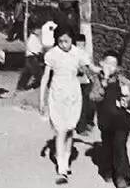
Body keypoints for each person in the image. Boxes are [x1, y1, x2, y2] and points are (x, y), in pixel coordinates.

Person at [39, 24, 96, 184]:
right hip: (57, 95)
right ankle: (61, 168)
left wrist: (104, 68)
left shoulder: (78, 53)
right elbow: (45, 77)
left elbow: (90, 67)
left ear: (72, 40)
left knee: (70, 130)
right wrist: (41, 99)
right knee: (61, 130)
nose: (63, 44)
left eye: (66, 41)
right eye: (60, 41)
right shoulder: (52, 54)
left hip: (73, 95)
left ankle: (66, 159)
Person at [90, 49, 130, 188]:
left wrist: (127, 99)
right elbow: (93, 96)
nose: (109, 67)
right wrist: (102, 86)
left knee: (119, 146)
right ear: (101, 63)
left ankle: (123, 176)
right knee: (108, 146)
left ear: (117, 68)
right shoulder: (97, 80)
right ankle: (108, 171)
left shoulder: (121, 80)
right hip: (105, 121)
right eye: (107, 63)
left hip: (121, 121)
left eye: (113, 64)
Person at [75, 33, 95, 134]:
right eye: (78, 43)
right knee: (82, 105)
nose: (80, 45)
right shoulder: (74, 54)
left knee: (89, 104)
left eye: (81, 44)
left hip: (86, 82)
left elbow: (89, 67)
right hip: (78, 82)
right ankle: (81, 128)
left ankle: (87, 123)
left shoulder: (86, 54)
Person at [16, 24, 44, 91]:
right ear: (35, 30)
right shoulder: (33, 38)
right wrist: (39, 53)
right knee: (38, 73)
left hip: (30, 57)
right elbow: (33, 48)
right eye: (39, 30)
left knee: (27, 73)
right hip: (32, 57)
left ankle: (21, 86)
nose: (40, 31)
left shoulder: (36, 38)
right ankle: (34, 86)